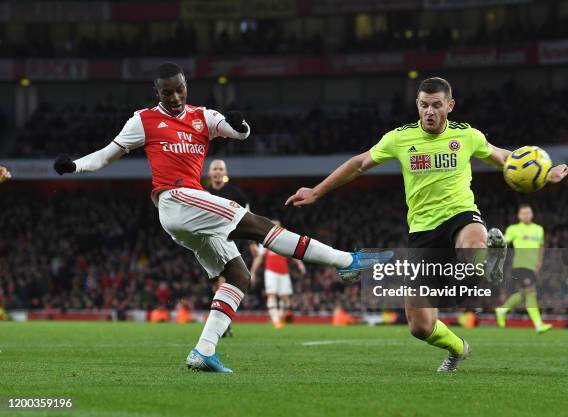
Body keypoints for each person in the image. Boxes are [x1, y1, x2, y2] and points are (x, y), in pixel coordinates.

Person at [53, 62, 392, 373]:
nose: (174, 96)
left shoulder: (202, 116)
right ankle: (346, 261)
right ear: (156, 93)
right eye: (166, 92)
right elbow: (106, 156)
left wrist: (239, 124)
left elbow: (237, 132)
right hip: (175, 198)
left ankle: (204, 350)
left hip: (188, 215)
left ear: (186, 86)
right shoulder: (143, 120)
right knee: (261, 226)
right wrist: (75, 166)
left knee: (238, 275)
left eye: (179, 89)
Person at [286, 77, 568, 372]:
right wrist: (316, 191)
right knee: (420, 326)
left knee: (473, 244)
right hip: (422, 232)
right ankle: (458, 348)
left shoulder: (468, 136)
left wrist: (544, 172)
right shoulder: (399, 138)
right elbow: (358, 164)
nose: (429, 111)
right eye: (423, 105)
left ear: (450, 105)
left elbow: (504, 158)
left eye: (436, 105)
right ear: (417, 106)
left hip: (461, 216)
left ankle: (489, 261)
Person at [206, 159, 254, 337]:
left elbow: (248, 218)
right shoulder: (203, 193)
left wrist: (252, 243)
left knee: (224, 284)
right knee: (217, 287)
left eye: (220, 169)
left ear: (225, 173)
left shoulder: (236, 194)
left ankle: (221, 326)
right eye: (214, 169)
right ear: (209, 173)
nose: (217, 172)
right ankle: (222, 325)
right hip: (208, 245)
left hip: (232, 244)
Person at [496, 204, 552, 333]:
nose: (526, 215)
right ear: (519, 216)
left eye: (528, 213)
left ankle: (502, 310)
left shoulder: (539, 229)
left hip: (532, 267)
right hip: (520, 266)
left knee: (523, 294)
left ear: (532, 215)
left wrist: (539, 263)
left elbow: (541, 246)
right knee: (531, 292)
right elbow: (504, 241)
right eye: (523, 213)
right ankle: (538, 325)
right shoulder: (514, 229)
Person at [250, 220, 306, 328]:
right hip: (270, 271)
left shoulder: (285, 241)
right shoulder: (265, 241)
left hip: (284, 272)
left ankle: (280, 317)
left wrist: (300, 264)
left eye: (277, 226)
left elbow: (292, 254)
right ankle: (276, 320)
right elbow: (259, 258)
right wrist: (253, 272)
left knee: (285, 298)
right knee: (271, 294)